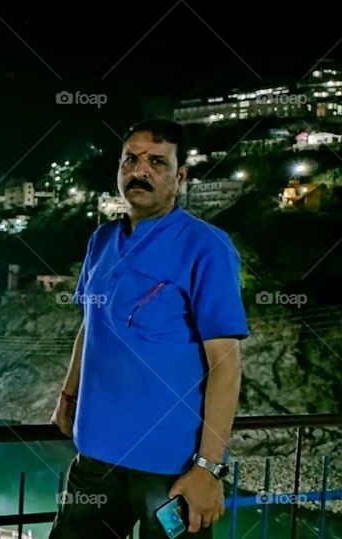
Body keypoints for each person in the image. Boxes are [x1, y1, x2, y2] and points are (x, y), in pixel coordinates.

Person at [49, 119, 248, 538]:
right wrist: (68, 396)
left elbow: (225, 365)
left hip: (170, 469)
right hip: (95, 458)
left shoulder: (206, 247)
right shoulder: (101, 241)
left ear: (180, 176)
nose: (139, 171)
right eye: (130, 160)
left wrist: (208, 469)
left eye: (157, 162)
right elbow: (90, 327)